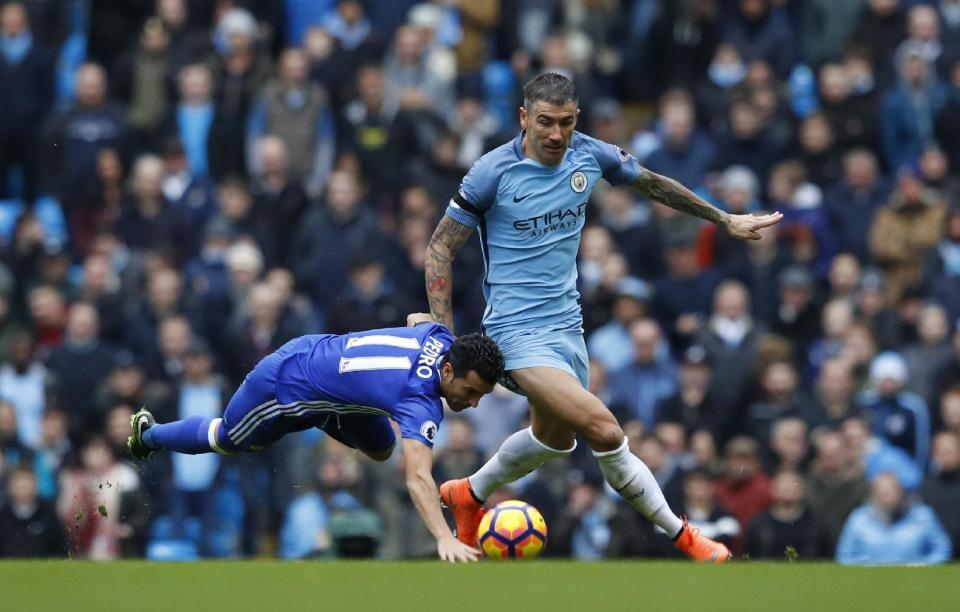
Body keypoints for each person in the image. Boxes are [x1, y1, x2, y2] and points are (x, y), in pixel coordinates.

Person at [425, 72, 782, 563]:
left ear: (577, 120)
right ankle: (685, 536)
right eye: (545, 122)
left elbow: (655, 184)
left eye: (566, 123)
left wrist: (724, 218)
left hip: (567, 329)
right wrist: (442, 336)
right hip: (515, 334)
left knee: (554, 441)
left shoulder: (590, 155)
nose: (555, 134)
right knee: (605, 431)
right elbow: (441, 248)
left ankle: (468, 493)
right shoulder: (492, 172)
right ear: (524, 118)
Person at [127, 314, 503, 563]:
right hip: (286, 382)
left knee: (382, 447)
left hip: (330, 369)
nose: (471, 403)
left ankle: (329, 408)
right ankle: (149, 434)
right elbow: (418, 476)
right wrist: (443, 536)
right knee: (227, 438)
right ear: (449, 370)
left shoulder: (440, 335)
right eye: (470, 391)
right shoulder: (419, 401)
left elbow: (417, 319)